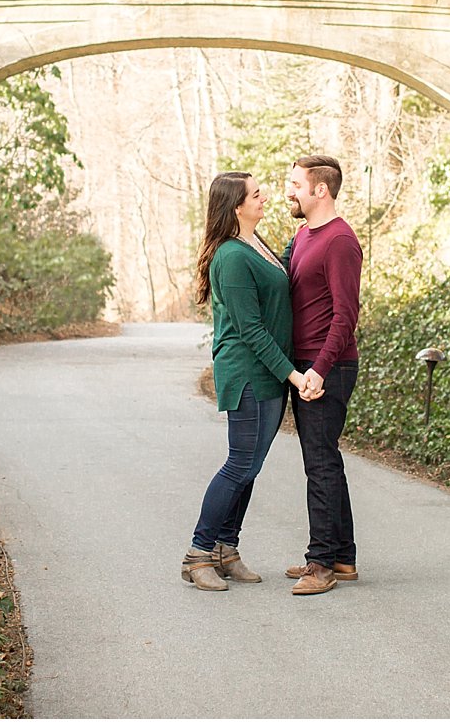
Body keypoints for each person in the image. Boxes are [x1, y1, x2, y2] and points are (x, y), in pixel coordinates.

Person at [182, 171, 312, 591]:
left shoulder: (254, 243)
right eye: (257, 194)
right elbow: (251, 329)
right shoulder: (231, 256)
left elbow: (282, 275)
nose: (265, 197)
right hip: (249, 374)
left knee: (250, 468)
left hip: (268, 374)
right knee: (239, 464)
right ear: (236, 206)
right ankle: (198, 554)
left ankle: (226, 548)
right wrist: (292, 374)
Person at [281, 155, 363, 596]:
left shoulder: (340, 241)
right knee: (325, 460)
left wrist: (319, 369)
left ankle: (321, 563)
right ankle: (343, 557)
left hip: (328, 367)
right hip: (308, 367)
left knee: (320, 465)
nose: (288, 191)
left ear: (321, 190)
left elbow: (346, 316)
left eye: (295, 184)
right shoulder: (304, 235)